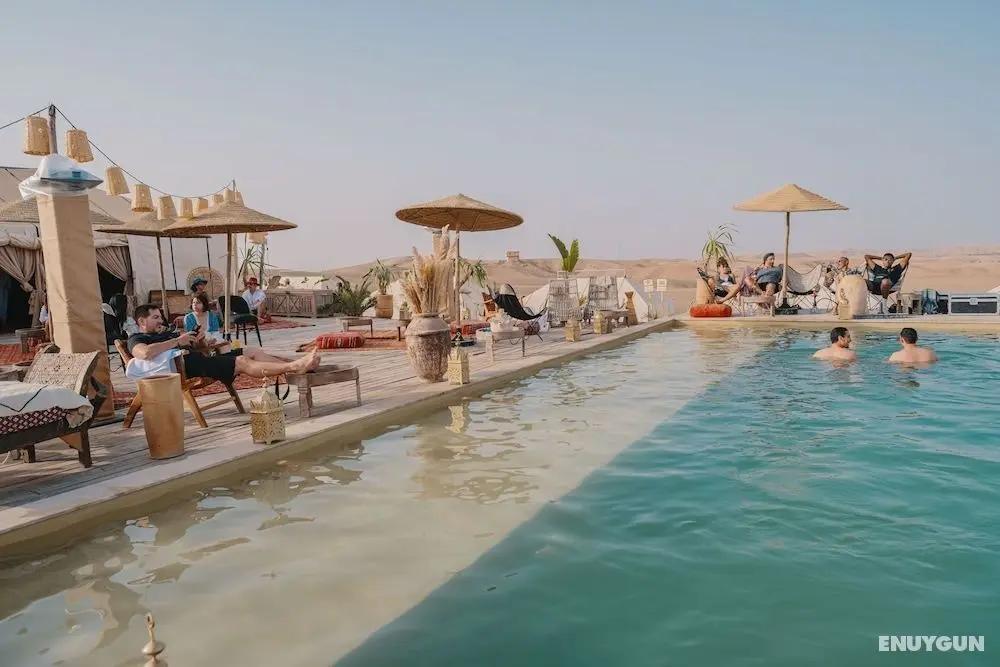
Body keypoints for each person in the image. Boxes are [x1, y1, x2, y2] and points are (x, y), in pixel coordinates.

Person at [127, 304, 319, 383]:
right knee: (241, 361)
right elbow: (144, 353)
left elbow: (198, 349)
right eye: (155, 318)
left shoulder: (166, 334)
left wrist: (199, 340)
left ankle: (293, 371)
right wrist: (177, 340)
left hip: (200, 360)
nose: (160, 321)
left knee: (250, 350)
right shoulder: (137, 339)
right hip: (190, 368)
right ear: (141, 321)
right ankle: (294, 367)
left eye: (160, 317)